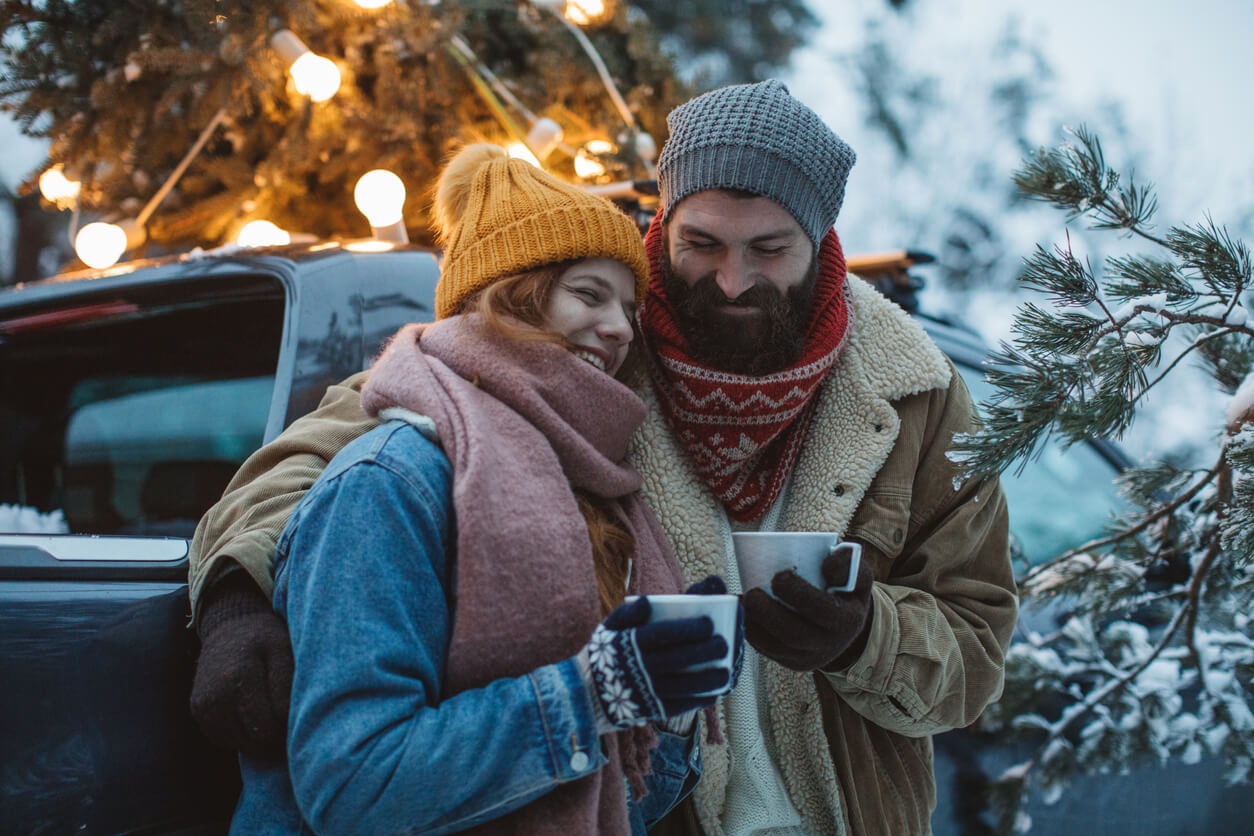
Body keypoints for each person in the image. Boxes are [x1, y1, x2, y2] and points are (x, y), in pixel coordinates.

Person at [190, 80, 1018, 835]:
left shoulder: (914, 389)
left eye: (769, 249)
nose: (731, 281)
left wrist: (865, 637)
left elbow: (977, 644)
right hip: (648, 812)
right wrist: (237, 596)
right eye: (702, 243)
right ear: (665, 220)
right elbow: (348, 443)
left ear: (820, 241)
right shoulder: (588, 329)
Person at [224, 144, 742, 835]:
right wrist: (594, 694)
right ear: (511, 294)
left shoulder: (590, 486)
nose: (622, 329)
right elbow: (354, 786)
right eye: (589, 294)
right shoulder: (390, 480)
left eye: (628, 307)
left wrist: (667, 707)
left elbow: (603, 796)